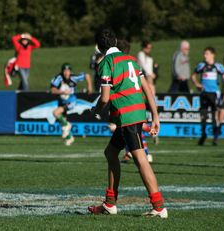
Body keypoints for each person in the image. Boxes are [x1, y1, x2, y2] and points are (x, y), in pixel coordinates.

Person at [88, 28, 167, 218]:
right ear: (115, 41)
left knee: (140, 159)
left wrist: (96, 110)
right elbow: (147, 87)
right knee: (111, 152)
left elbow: (105, 98)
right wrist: (155, 115)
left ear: (99, 47)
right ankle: (110, 203)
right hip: (136, 113)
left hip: (127, 117)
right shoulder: (131, 60)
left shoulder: (106, 62)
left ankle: (159, 207)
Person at [50, 63, 92, 146]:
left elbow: (87, 75)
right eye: (64, 71)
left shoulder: (74, 77)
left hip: (71, 100)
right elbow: (52, 90)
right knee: (62, 122)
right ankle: (69, 137)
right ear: (62, 72)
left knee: (55, 113)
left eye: (68, 71)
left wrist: (89, 88)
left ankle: (67, 125)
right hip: (61, 101)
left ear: (70, 71)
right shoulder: (58, 78)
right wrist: (62, 92)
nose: (66, 73)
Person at [191, 47, 224, 146]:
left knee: (215, 115)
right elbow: (193, 75)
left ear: (212, 55)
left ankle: (215, 137)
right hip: (204, 93)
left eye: (207, 54)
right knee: (203, 115)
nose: (205, 56)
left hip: (214, 94)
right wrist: (197, 84)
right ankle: (203, 134)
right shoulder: (201, 65)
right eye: (204, 54)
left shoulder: (218, 66)